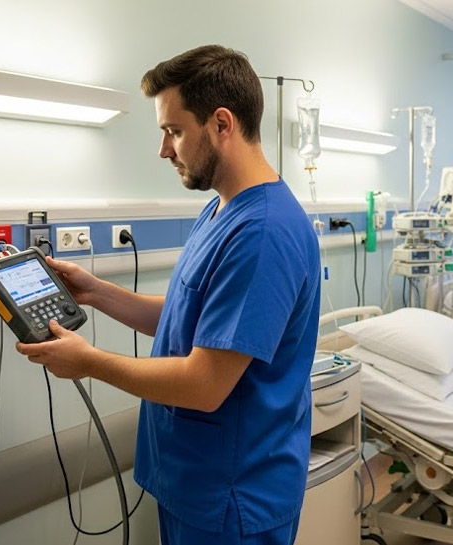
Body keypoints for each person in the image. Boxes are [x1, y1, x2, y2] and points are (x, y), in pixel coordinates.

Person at [16, 44, 322, 545]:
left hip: (233, 498)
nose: (164, 150)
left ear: (222, 124)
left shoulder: (263, 232)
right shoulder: (222, 211)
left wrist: (89, 361)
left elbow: (205, 383)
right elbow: (191, 319)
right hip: (195, 481)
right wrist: (95, 293)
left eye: (174, 131)